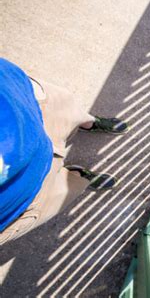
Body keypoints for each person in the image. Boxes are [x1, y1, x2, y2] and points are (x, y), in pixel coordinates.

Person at [0, 58, 128, 245]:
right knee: (66, 190)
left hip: (22, 98)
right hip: (25, 198)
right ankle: (80, 177)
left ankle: (85, 121)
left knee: (65, 106)